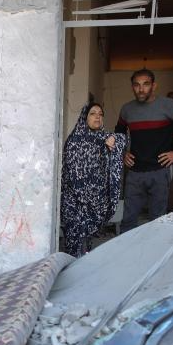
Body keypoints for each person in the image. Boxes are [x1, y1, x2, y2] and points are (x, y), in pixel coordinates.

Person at [115, 70, 173, 233]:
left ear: (154, 86)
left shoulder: (169, 105)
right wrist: (122, 153)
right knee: (127, 222)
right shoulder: (127, 109)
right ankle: (127, 250)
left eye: (146, 84)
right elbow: (119, 132)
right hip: (134, 173)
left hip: (160, 172)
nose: (141, 89)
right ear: (132, 87)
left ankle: (154, 250)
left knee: (158, 221)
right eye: (137, 85)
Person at [60, 102, 127, 257]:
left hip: (94, 204)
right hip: (75, 205)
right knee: (75, 247)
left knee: (87, 247)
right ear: (84, 117)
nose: (97, 116)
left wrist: (113, 139)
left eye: (100, 114)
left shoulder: (102, 138)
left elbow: (123, 139)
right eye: (92, 113)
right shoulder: (75, 142)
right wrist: (93, 199)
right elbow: (75, 178)